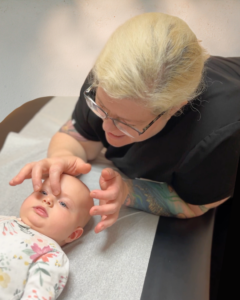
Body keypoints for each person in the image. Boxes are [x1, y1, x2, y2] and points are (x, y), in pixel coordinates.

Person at [9, 12, 240, 234]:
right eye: (101, 108)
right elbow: (79, 136)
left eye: (127, 123)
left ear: (175, 108)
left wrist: (129, 192)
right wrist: (60, 159)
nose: (106, 129)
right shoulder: (107, 80)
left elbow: (195, 204)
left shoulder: (217, 138)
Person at [1, 174, 93, 300]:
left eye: (63, 204)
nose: (48, 200)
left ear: (72, 234)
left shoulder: (52, 255)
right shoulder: (3, 219)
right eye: (44, 192)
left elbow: (38, 294)